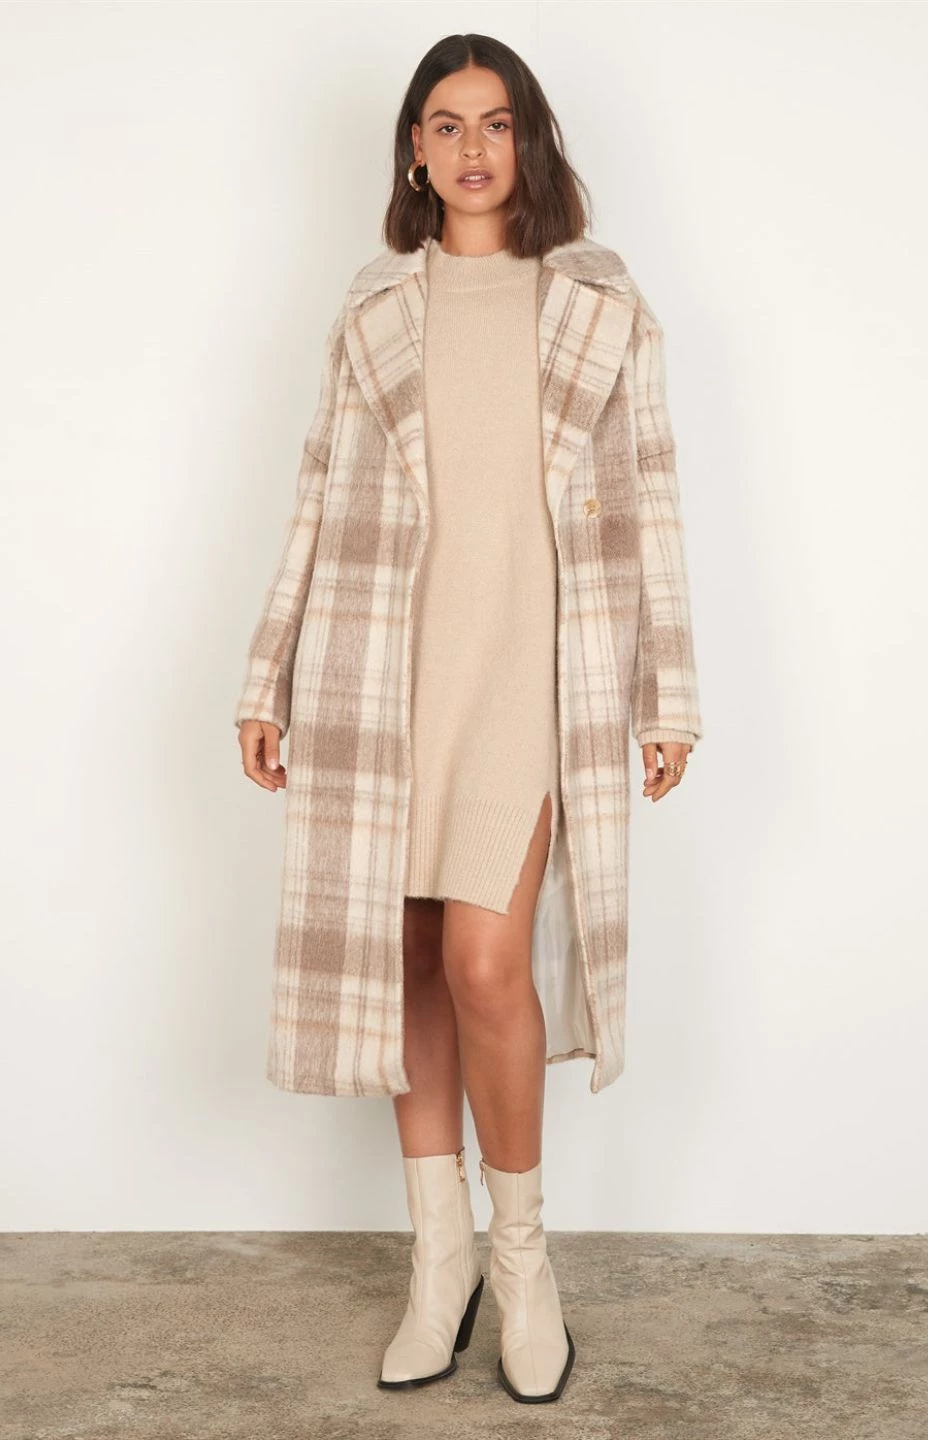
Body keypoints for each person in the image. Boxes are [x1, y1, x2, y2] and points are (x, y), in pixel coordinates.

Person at [235, 32, 703, 1406]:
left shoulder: (600, 305)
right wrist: (267, 676)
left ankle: (522, 1263)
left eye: (496, 123)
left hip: (529, 676)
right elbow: (314, 495)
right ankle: (437, 1264)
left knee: (488, 963)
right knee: (414, 961)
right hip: (382, 669)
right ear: (415, 152)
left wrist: (669, 694)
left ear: (530, 140)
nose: (474, 148)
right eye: (446, 125)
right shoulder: (373, 307)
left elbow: (654, 500)